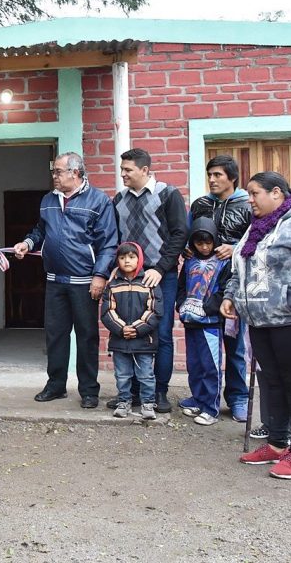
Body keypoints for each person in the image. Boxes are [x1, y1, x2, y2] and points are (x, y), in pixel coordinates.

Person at [221, 172, 291, 480]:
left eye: (254, 194)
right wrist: (230, 296)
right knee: (272, 382)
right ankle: (277, 444)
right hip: (259, 319)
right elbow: (241, 264)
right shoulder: (256, 227)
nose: (249, 199)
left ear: (276, 193)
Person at [13, 152, 117, 408]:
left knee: (86, 336)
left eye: (58, 171)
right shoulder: (48, 200)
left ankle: (89, 391)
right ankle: (56, 385)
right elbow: (40, 230)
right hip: (54, 280)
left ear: (76, 173)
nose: (54, 176)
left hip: (85, 282)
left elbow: (108, 243)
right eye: (54, 171)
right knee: (55, 335)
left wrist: (100, 275)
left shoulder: (98, 201)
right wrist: (27, 243)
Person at [112, 148, 187, 413]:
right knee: (129, 331)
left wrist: (162, 268)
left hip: (160, 275)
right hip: (127, 277)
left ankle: (159, 392)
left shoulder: (168, 194)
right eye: (122, 169)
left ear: (145, 170)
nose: (123, 174)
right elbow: (115, 239)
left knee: (162, 334)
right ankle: (132, 393)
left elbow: (180, 233)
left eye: (128, 170)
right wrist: (114, 269)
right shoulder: (118, 199)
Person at [189, 154, 252, 422]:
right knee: (202, 345)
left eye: (218, 175)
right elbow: (188, 235)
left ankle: (238, 397)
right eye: (210, 174)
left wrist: (235, 248)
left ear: (232, 177)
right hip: (203, 286)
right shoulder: (200, 205)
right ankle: (201, 395)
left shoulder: (247, 205)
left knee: (234, 341)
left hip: (235, 282)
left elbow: (261, 241)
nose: (212, 180)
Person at [175, 217, 230, 426]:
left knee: (210, 366)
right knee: (194, 364)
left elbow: (224, 290)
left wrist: (207, 308)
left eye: (208, 242)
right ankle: (198, 399)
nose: (205, 247)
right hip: (191, 321)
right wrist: (181, 304)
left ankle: (211, 407)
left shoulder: (223, 262)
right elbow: (182, 286)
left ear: (215, 240)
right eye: (200, 243)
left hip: (211, 323)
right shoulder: (188, 261)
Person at [100, 242, 161, 420]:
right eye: (122, 257)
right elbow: (107, 310)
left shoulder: (149, 282)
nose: (127, 261)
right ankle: (124, 402)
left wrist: (136, 329)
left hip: (143, 340)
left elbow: (155, 310)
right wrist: (121, 329)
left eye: (132, 257)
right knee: (122, 375)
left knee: (146, 375)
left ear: (139, 259)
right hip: (120, 340)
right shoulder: (112, 284)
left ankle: (148, 404)